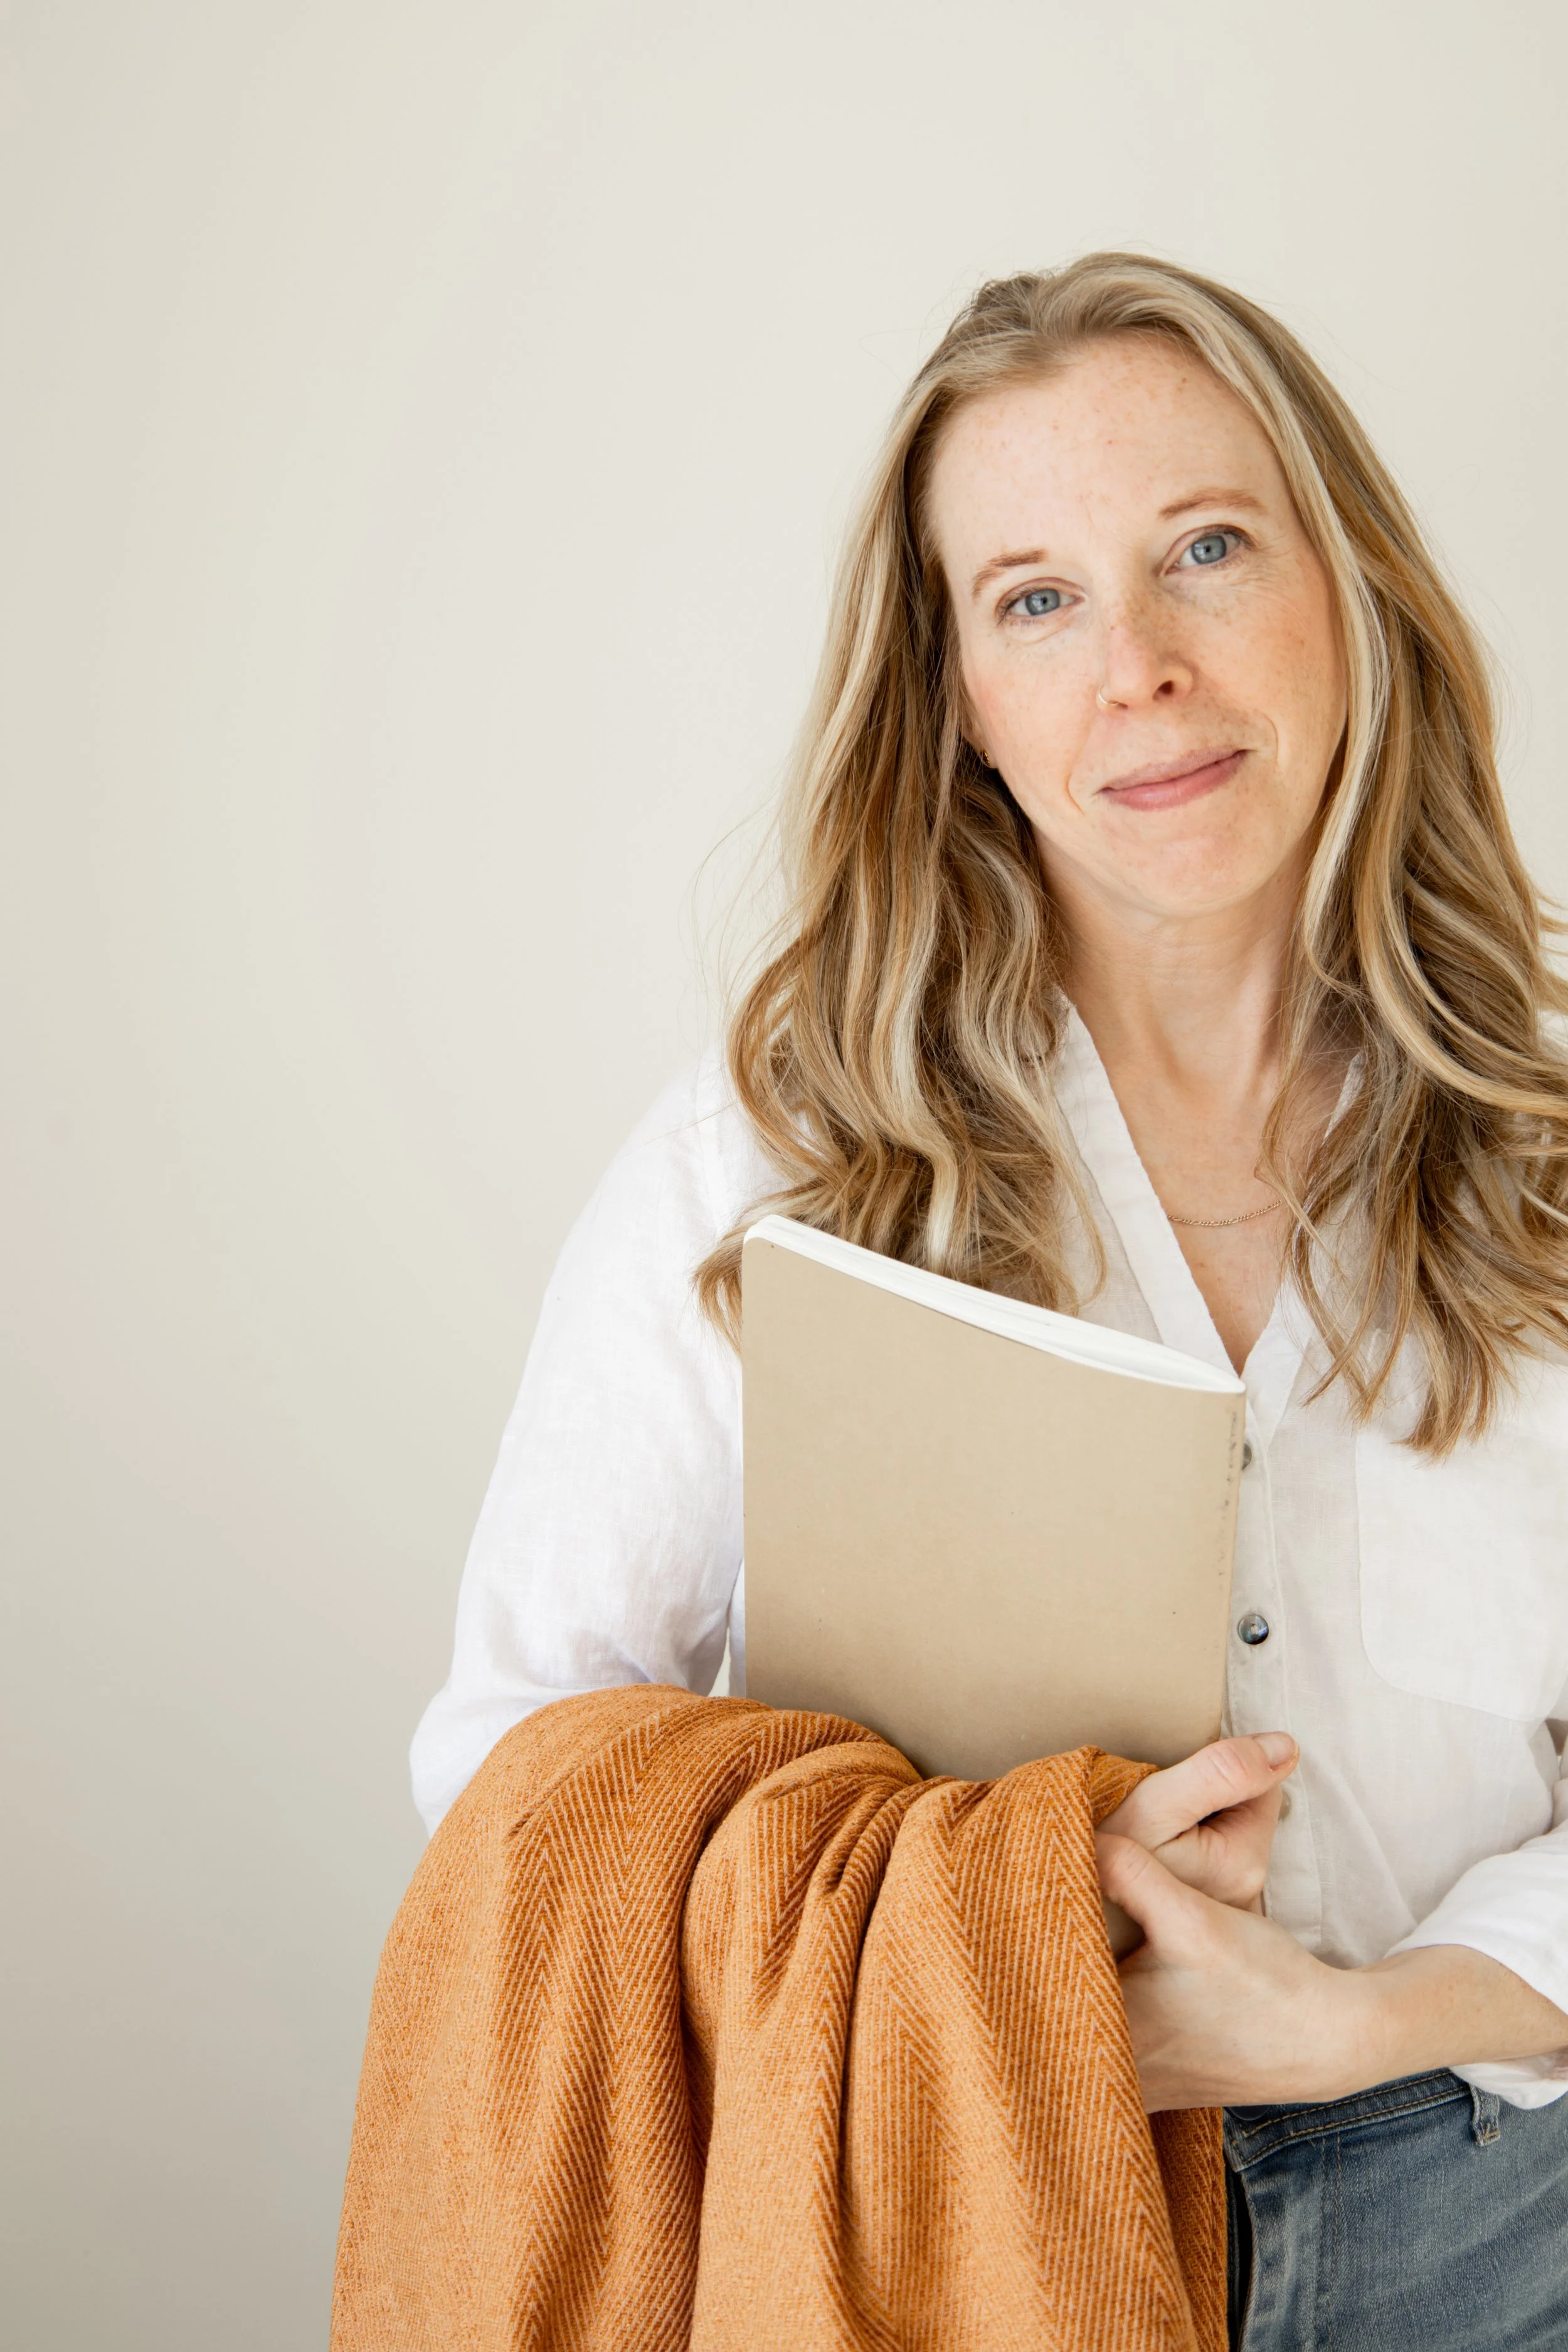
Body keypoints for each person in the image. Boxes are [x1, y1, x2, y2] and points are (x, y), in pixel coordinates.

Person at [411, 255, 1568, 2346]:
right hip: (936, 2225)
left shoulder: (1547, 1145)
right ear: (954, 693)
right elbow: (510, 1765)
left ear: (1353, 590)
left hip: (1501, 2228)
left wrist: (1352, 2018)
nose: (1137, 663)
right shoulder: (769, 1157)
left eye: (1204, 547)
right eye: (1033, 596)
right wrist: (986, 1888)